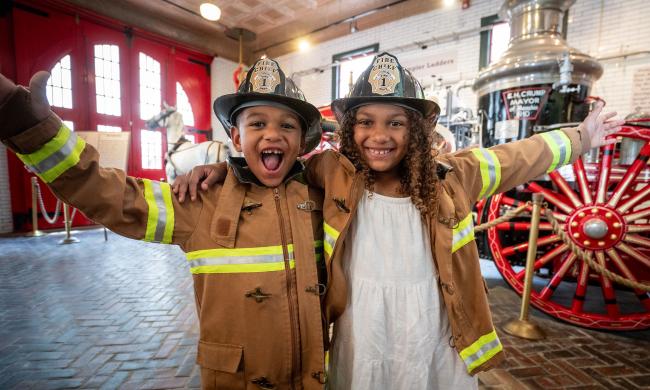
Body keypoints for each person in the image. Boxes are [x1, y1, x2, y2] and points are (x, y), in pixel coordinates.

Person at [174, 52, 624, 389]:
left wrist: (579, 138)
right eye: (365, 122)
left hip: (432, 327)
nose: (379, 136)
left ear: (415, 130)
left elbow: (514, 158)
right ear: (349, 130)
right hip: (361, 328)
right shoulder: (330, 174)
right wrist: (225, 170)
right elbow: (274, 168)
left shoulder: (452, 177)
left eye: (395, 123)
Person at [0, 58, 330, 389]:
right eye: (257, 123)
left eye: (287, 126)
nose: (272, 133)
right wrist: (33, 130)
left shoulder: (322, 198)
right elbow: (111, 195)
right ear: (237, 138)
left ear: (303, 141)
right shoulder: (200, 200)